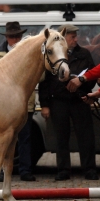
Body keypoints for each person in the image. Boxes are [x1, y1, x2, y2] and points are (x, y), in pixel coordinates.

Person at [39, 24, 99, 181]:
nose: (76, 39)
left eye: (76, 36)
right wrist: (45, 104)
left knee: (86, 136)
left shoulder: (84, 53)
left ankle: (90, 169)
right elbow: (45, 82)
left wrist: (81, 84)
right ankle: (63, 170)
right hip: (59, 101)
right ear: (63, 38)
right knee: (61, 136)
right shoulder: (54, 56)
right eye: (72, 37)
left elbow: (91, 75)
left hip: (79, 100)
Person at [0, 21, 37, 182]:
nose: (15, 39)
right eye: (12, 36)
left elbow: (38, 77)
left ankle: (25, 170)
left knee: (25, 139)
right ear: (6, 37)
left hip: (24, 104)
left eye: (18, 36)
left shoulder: (30, 58)